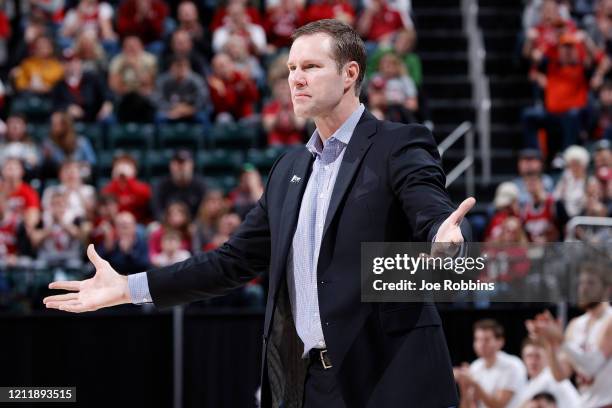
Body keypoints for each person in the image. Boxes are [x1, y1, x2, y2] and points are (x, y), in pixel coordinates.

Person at [45, 19, 475, 407]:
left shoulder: (397, 144)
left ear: (350, 75)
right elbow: (231, 262)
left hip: (390, 380)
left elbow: (432, 210)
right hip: (309, 387)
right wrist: (128, 288)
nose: (295, 79)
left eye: (310, 67)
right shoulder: (288, 169)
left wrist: (445, 240)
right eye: (290, 69)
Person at [526, 262, 612, 408]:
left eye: (591, 283)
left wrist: (560, 339)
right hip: (585, 403)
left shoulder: (609, 320)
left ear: (607, 289)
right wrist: (550, 342)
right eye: (581, 283)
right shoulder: (575, 324)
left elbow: (592, 366)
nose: (584, 288)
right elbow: (560, 375)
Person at [454, 319, 527, 408]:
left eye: (486, 340)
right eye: (478, 339)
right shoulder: (475, 366)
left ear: (500, 342)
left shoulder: (513, 365)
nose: (481, 344)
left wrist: (474, 383)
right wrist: (463, 386)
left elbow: (498, 406)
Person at [508, 338, 581, 408]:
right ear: (523, 358)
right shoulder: (532, 383)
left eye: (537, 356)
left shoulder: (550, 377)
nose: (533, 362)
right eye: (529, 356)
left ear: (547, 358)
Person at [151, 149, 207, 219]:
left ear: (192, 165)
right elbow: (157, 210)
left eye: (184, 163)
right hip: (167, 225)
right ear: (171, 165)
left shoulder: (200, 185)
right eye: (178, 163)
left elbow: (205, 211)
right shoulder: (162, 185)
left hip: (193, 226)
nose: (181, 167)